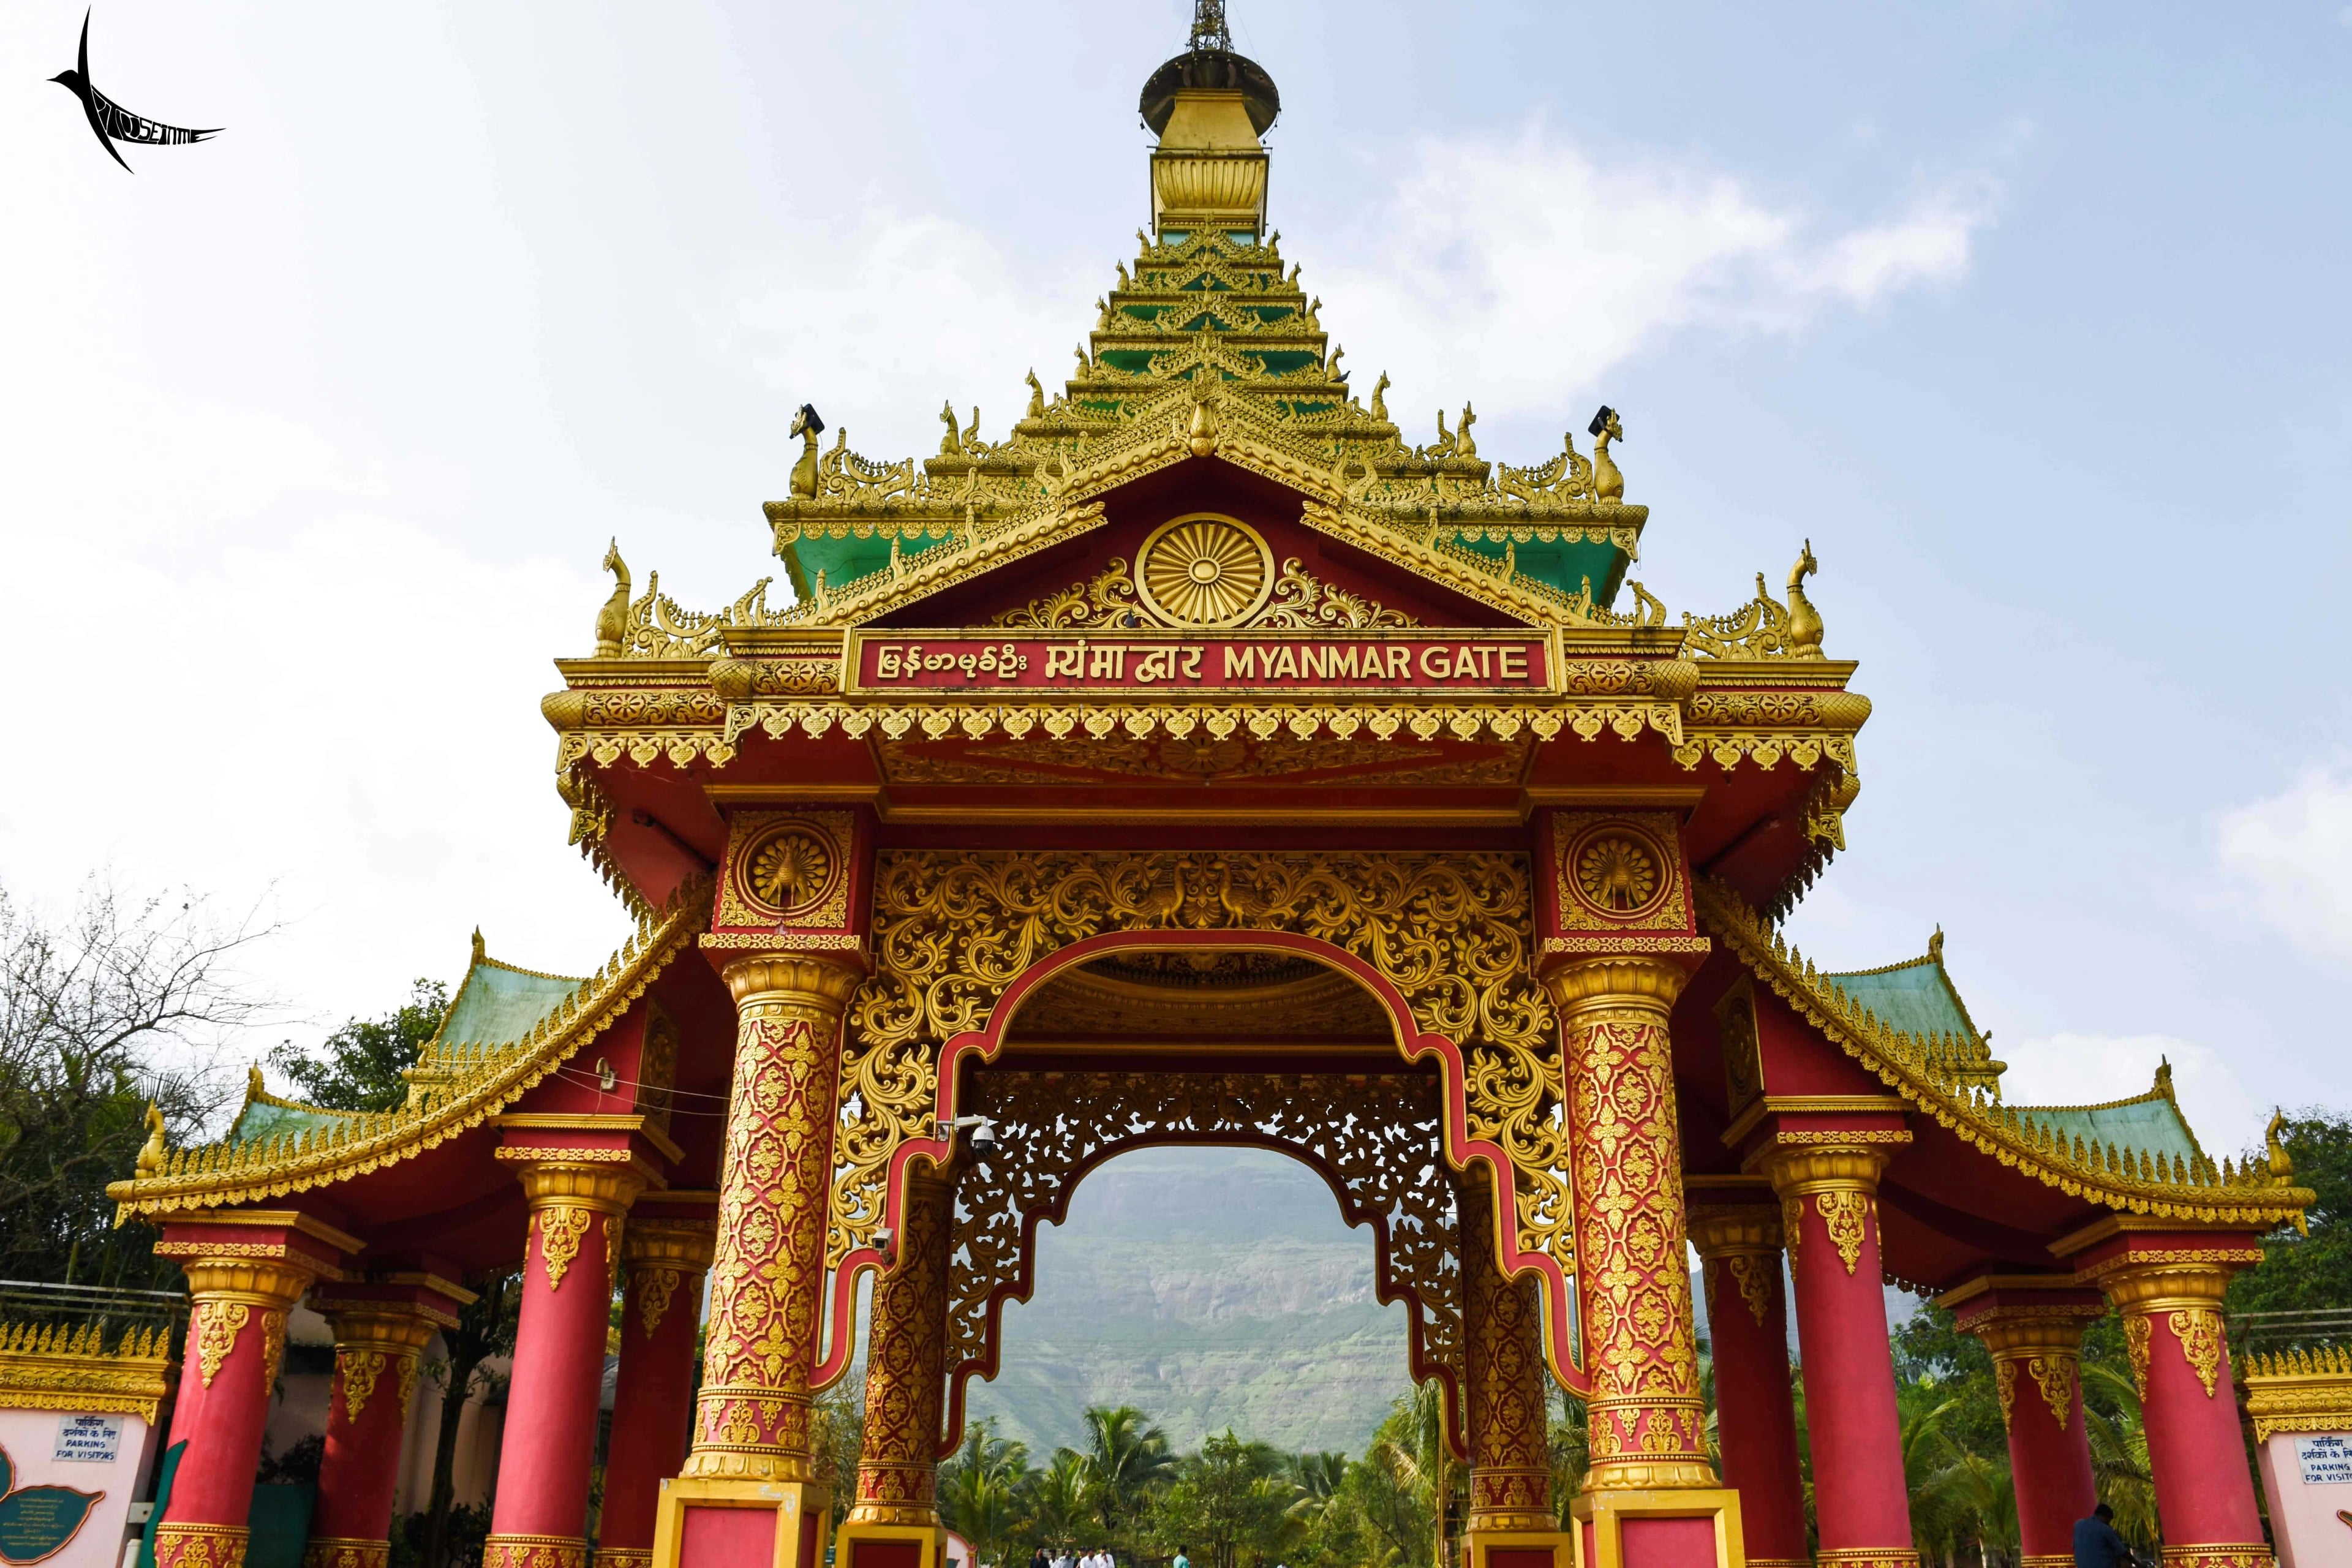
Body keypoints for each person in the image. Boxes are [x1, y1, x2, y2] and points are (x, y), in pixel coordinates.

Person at [2072, 1503, 2133, 1568]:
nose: (2108, 1524)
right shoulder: (2105, 1529)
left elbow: (2074, 1546)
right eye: (2108, 1521)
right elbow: (2123, 1552)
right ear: (2105, 1517)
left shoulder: (2078, 1525)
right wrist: (2138, 1564)